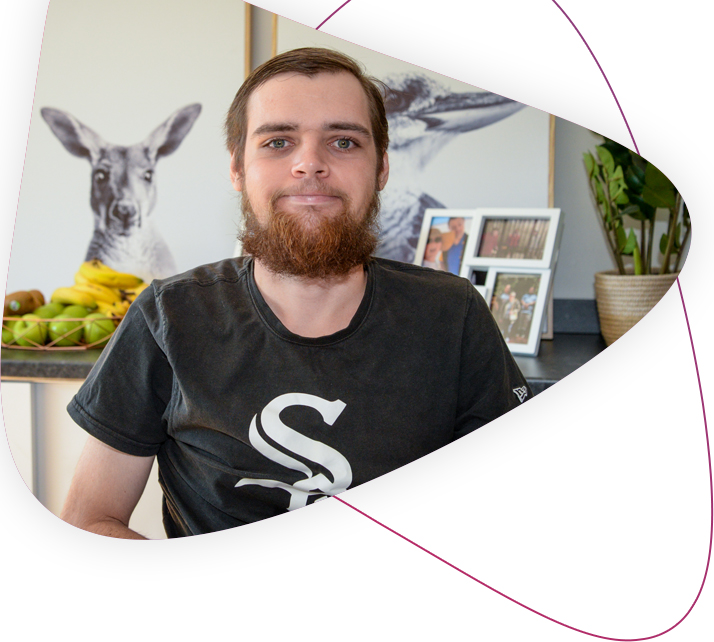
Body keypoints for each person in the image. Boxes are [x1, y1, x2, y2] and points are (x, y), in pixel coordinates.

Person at [60, 47, 531, 539]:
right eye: (279, 141)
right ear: (238, 170)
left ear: (382, 169)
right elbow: (90, 520)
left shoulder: (453, 316)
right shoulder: (168, 317)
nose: (310, 164)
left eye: (344, 142)